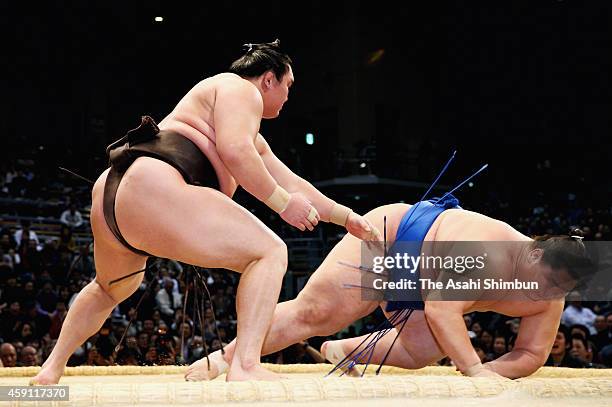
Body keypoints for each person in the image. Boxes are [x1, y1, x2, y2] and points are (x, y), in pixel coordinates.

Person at [31, 40, 378, 385]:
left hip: (115, 193)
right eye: (288, 85)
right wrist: (283, 205)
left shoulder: (243, 126)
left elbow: (291, 181)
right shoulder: (240, 88)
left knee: (108, 288)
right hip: (159, 182)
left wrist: (345, 217)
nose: (289, 96)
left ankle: (51, 369)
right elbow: (235, 151)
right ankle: (244, 365)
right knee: (270, 252)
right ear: (268, 79)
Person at [186, 197, 594, 380]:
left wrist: (490, 372)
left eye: (560, 290)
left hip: (426, 282)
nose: (549, 295)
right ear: (536, 256)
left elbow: (531, 353)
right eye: (551, 283)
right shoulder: (491, 252)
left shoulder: (550, 295)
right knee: (315, 314)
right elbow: (442, 310)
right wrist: (472, 372)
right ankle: (223, 360)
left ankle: (344, 351)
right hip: (394, 240)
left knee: (423, 351)